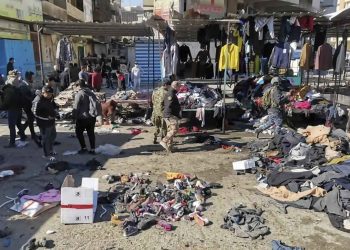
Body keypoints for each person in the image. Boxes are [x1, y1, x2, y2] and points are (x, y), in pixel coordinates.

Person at [72, 79, 101, 154]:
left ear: (78, 86)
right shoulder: (91, 92)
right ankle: (92, 149)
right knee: (91, 133)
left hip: (82, 118)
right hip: (92, 117)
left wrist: (74, 117)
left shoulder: (80, 94)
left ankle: (84, 148)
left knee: (79, 132)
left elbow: (76, 107)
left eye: (75, 86)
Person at [0, 70, 26, 148]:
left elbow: (7, 101)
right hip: (18, 108)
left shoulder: (9, 88)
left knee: (12, 126)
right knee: (18, 124)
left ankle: (12, 143)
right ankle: (23, 137)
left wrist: (2, 107)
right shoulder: (17, 85)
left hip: (12, 109)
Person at [32, 86, 58, 160]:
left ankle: (50, 150)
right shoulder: (38, 100)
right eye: (48, 94)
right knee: (46, 138)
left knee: (53, 135)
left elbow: (53, 106)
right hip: (43, 122)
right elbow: (34, 113)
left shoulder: (50, 98)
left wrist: (56, 112)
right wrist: (46, 117)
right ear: (43, 93)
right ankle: (46, 154)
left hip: (51, 121)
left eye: (51, 94)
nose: (50, 95)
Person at [19, 71, 41, 147]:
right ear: (28, 77)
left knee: (30, 119)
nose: (33, 78)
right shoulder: (23, 85)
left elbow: (30, 92)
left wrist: (34, 92)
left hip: (28, 104)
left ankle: (22, 131)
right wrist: (34, 96)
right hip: (26, 105)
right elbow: (26, 96)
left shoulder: (27, 84)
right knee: (31, 119)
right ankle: (31, 134)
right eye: (32, 77)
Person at [160, 81, 181, 153]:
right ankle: (164, 141)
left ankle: (169, 147)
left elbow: (163, 103)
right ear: (176, 86)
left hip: (168, 114)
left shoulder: (170, 92)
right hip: (170, 115)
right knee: (175, 130)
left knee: (170, 130)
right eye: (179, 86)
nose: (180, 88)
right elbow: (169, 105)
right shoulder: (171, 93)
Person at [151, 78, 171, 144]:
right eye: (169, 85)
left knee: (156, 126)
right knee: (164, 127)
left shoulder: (155, 91)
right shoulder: (166, 93)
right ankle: (163, 141)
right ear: (165, 85)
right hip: (163, 113)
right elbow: (168, 104)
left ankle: (154, 138)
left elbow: (152, 100)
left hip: (155, 112)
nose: (169, 86)